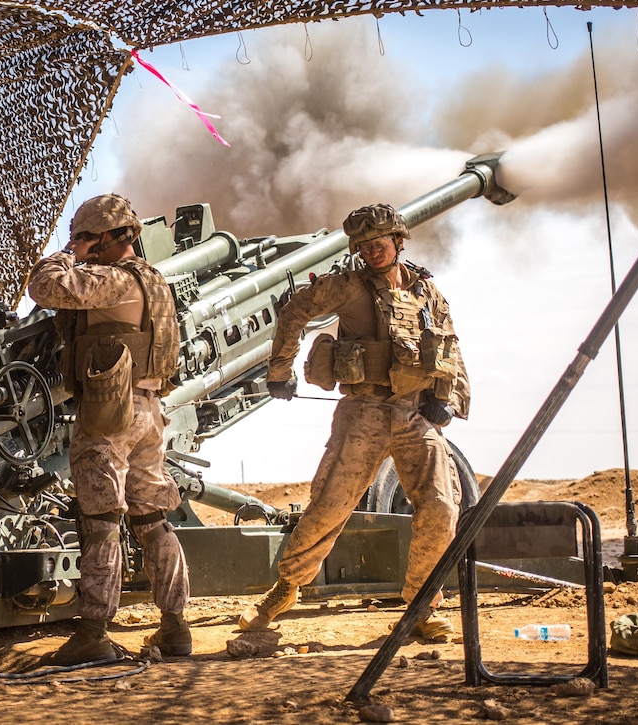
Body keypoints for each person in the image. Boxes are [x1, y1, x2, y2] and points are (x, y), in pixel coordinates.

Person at [238, 203, 470, 641]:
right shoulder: (347, 287)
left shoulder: (427, 292)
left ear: (398, 243)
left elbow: (451, 346)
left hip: (415, 414)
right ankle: (284, 590)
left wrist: (450, 399)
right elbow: (293, 312)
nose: (371, 253)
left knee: (441, 507)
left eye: (378, 244)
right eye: (362, 247)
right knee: (329, 507)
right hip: (362, 413)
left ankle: (422, 606)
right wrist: (279, 371)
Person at [27, 193, 190, 663]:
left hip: (110, 415)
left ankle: (93, 633)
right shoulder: (155, 280)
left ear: (104, 237)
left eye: (83, 238)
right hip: (149, 412)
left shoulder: (113, 279)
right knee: (152, 519)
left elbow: (45, 287)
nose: (78, 246)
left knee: (100, 520)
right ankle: (175, 628)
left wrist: (62, 255)